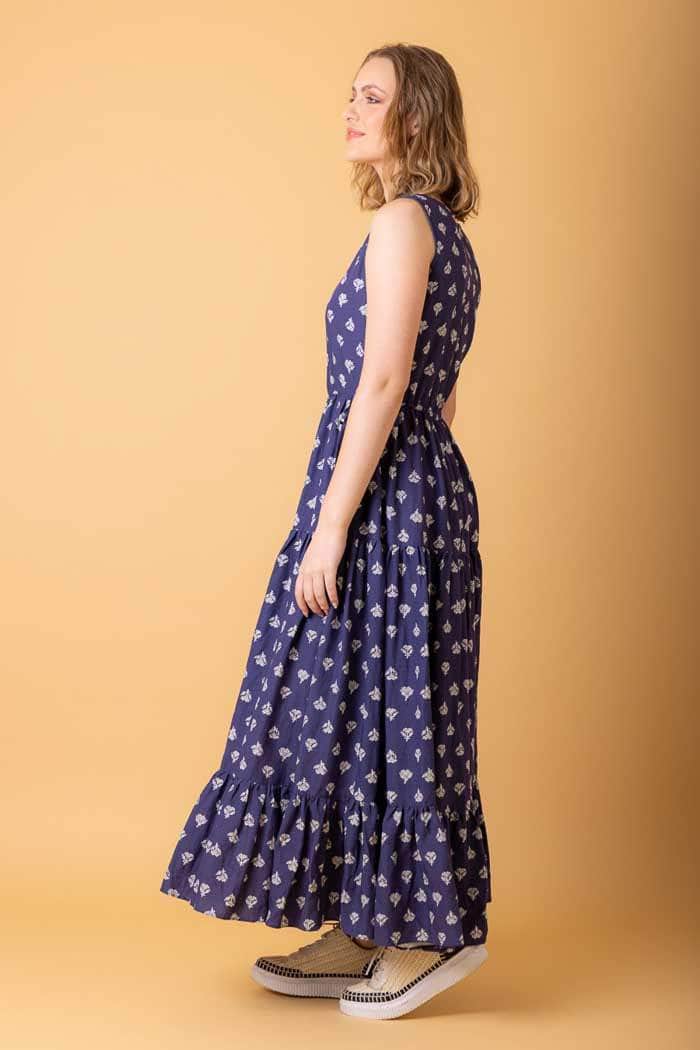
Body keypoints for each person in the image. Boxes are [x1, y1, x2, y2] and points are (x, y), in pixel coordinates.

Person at [159, 42, 492, 1020]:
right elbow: (441, 396)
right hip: (417, 490)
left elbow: (386, 380)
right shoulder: (443, 236)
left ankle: (431, 935)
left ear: (415, 118)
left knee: (379, 706)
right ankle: (368, 922)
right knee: (365, 706)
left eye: (372, 97)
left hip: (383, 497)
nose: (350, 109)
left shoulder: (402, 222)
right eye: (351, 94)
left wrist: (333, 525)